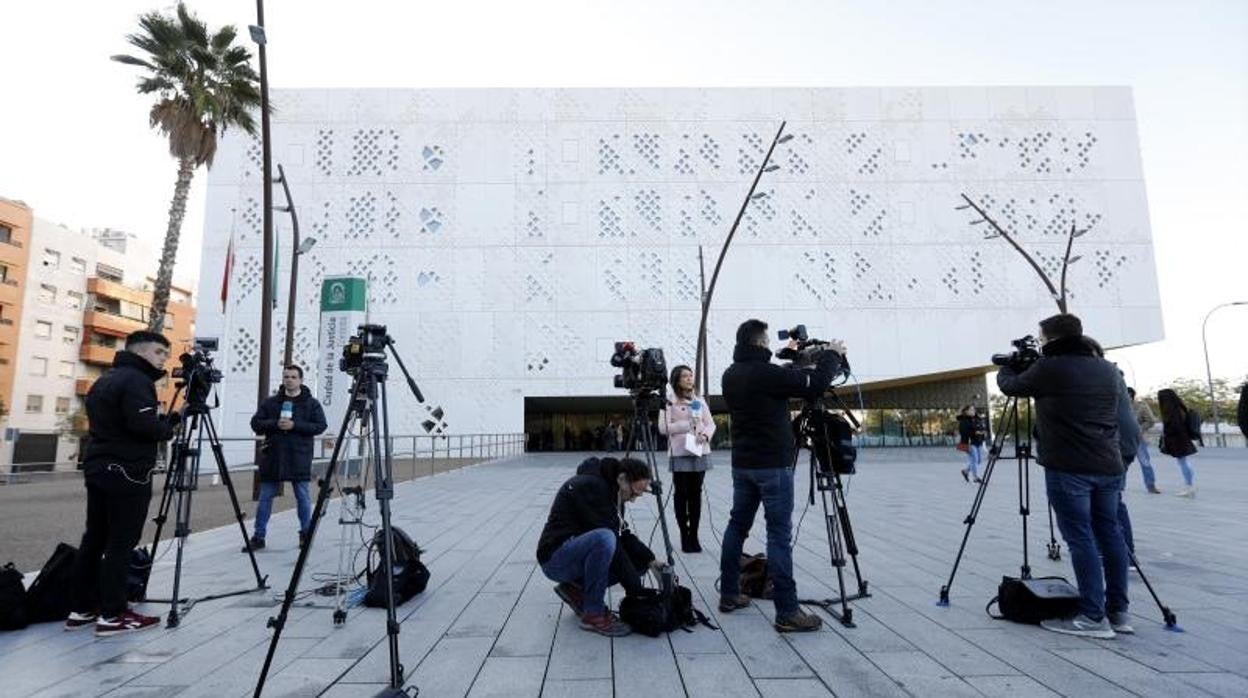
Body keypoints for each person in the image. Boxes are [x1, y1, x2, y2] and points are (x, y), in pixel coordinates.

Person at [996, 313, 1130, 639]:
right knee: (1110, 534)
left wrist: (1009, 365)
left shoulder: (1050, 367)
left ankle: (1091, 617)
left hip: (1069, 466)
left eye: (1042, 340)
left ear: (1051, 338)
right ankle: (1118, 612)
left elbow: (1011, 387)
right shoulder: (1108, 369)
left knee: (1080, 537)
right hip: (1108, 464)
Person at [717, 318, 846, 633]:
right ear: (761, 344)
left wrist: (792, 356)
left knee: (737, 525)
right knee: (779, 535)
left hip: (742, 465)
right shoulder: (768, 374)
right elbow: (813, 385)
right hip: (772, 465)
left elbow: (779, 378)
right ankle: (788, 611)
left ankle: (730, 593)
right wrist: (832, 355)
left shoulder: (731, 374)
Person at [66, 330, 179, 636]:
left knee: (95, 538)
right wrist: (169, 426)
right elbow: (142, 425)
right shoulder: (136, 381)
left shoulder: (106, 379)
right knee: (120, 542)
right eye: (159, 353)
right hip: (127, 471)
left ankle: (81, 608)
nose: (163, 360)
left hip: (99, 465)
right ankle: (113, 615)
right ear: (142, 353)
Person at [536, 457, 658, 637]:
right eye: (634, 492)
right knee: (604, 538)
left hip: (574, 553)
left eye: (639, 495)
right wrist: (637, 591)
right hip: (555, 558)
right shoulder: (591, 487)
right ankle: (593, 613)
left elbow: (622, 534)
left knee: (637, 560)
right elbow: (612, 539)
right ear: (622, 479)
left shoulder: (613, 492)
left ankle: (575, 589)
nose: (633, 500)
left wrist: (651, 560)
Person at [244, 365, 328, 551]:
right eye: (286, 376)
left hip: (299, 456)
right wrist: (275, 424)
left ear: (300, 380)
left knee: (302, 497)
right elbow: (255, 423)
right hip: (274, 456)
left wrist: (295, 425)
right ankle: (259, 537)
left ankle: (305, 534)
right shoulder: (271, 402)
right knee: (265, 497)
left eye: (293, 377)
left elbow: (321, 426)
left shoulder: (311, 403)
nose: (289, 380)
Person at [658, 364, 716, 553]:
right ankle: (684, 534)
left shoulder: (699, 401)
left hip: (699, 450)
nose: (689, 379)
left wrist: (705, 435)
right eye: (685, 376)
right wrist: (686, 425)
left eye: (691, 376)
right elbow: (663, 428)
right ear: (676, 380)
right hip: (680, 453)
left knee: (696, 494)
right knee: (681, 494)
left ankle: (694, 535)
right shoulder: (669, 402)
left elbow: (711, 424)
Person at [1156, 388, 1197, 497]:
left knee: (1183, 463)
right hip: (1182, 439)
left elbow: (1174, 427)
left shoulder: (1172, 412)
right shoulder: (1179, 408)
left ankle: (1189, 486)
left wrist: (1166, 431)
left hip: (1179, 440)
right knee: (1183, 463)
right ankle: (1190, 485)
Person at [1127, 388, 1160, 493]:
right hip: (1123, 439)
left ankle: (1151, 485)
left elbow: (1151, 420)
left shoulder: (1141, 406)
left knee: (1145, 462)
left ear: (1131, 395)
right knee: (1121, 462)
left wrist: (1139, 429)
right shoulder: (1119, 405)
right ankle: (1119, 485)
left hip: (1139, 439)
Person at [956, 405, 987, 483]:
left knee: (978, 460)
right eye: (971, 410)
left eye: (974, 409)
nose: (973, 411)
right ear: (966, 411)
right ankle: (975, 477)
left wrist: (982, 432)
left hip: (978, 442)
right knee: (974, 459)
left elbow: (981, 427)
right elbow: (964, 432)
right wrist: (975, 432)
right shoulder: (964, 420)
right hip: (969, 443)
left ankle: (966, 471)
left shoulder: (976, 418)